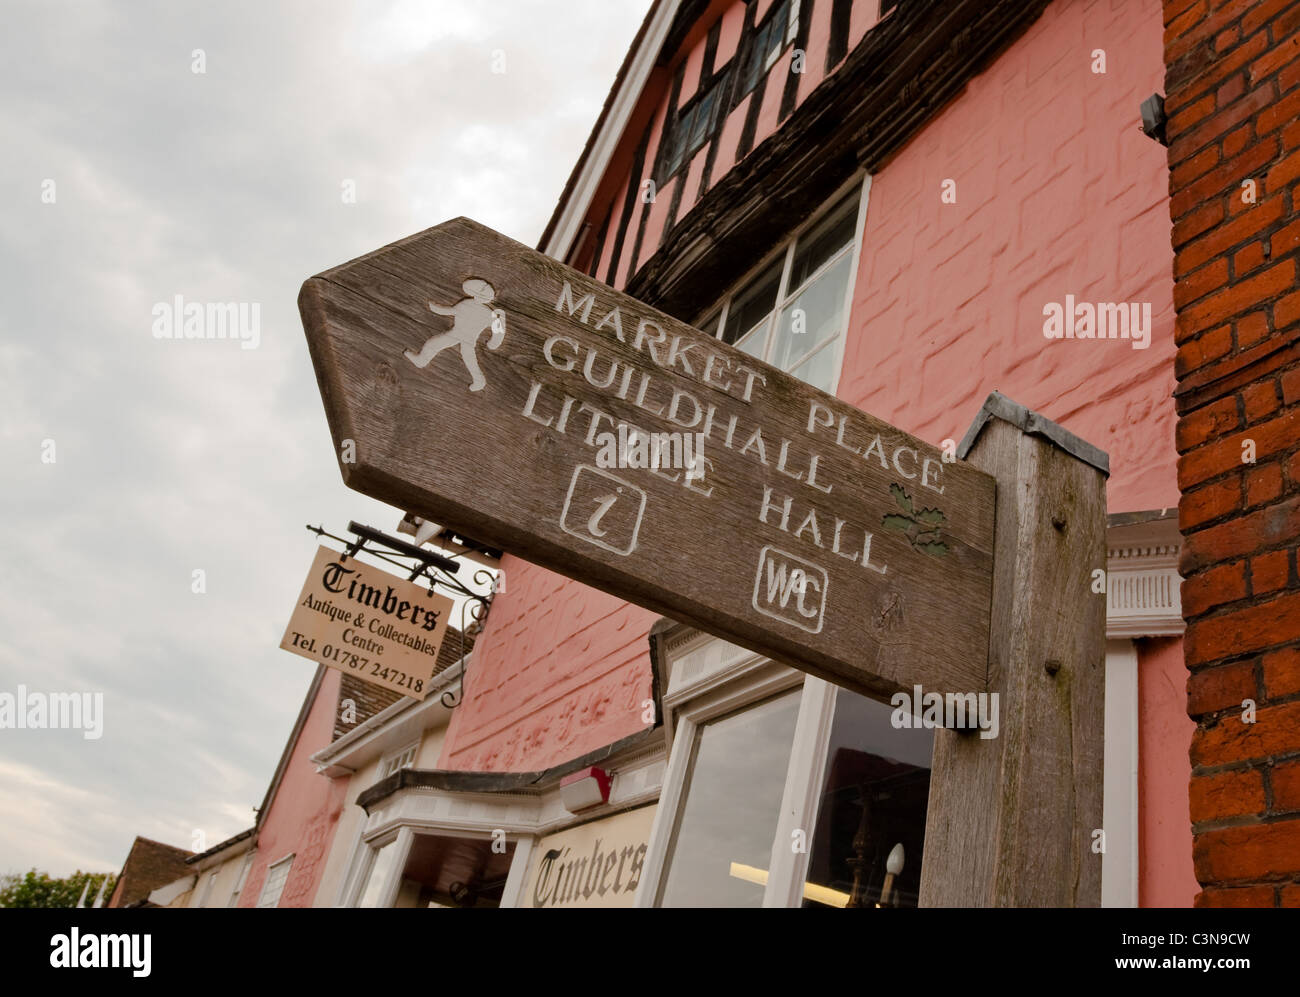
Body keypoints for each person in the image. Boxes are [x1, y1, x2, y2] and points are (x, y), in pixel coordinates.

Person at [404, 277, 505, 392]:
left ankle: (479, 381)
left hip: (464, 337)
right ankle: (422, 360)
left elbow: (449, 311)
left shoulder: (475, 307)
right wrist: (494, 343)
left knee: (466, 358)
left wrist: (435, 308)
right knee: (437, 344)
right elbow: (498, 331)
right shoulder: (482, 310)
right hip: (459, 334)